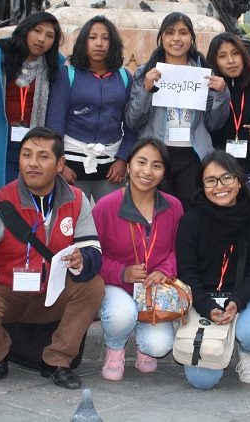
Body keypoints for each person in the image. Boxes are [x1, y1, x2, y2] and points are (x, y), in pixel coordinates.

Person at [0, 127, 104, 389]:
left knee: (93, 286)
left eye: (43, 156)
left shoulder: (76, 199)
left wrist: (84, 258)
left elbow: (93, 250)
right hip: (7, 293)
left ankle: (57, 360)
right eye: (26, 155)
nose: (32, 163)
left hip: (52, 293)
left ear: (60, 164)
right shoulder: (0, 203)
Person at [175, 151, 250, 389]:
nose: (219, 186)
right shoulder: (192, 221)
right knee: (202, 381)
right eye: (211, 180)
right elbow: (187, 273)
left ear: (239, 180)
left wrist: (238, 300)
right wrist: (206, 306)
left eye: (227, 177)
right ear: (202, 186)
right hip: (203, 300)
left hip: (245, 298)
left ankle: (247, 352)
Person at [92, 138, 183, 381]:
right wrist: (122, 273)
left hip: (156, 290)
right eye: (141, 162)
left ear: (163, 173)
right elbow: (91, 254)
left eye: (156, 165)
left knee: (159, 346)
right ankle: (115, 347)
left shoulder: (174, 207)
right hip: (116, 286)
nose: (147, 171)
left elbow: (180, 249)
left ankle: (145, 346)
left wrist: (165, 270)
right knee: (122, 313)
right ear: (129, 166)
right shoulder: (106, 206)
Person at [125, 12, 230, 211]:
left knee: (188, 214)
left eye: (183, 33)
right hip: (156, 154)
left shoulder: (204, 74)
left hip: (193, 155)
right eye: (170, 32)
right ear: (161, 37)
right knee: (156, 212)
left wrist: (222, 94)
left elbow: (214, 123)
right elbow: (133, 121)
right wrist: (146, 90)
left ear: (191, 38)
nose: (176, 38)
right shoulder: (145, 72)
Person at [46, 16, 136, 202]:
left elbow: (131, 123)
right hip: (71, 166)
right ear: (83, 41)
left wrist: (122, 159)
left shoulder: (124, 76)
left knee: (114, 223)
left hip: (111, 167)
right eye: (92, 37)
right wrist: (60, 164)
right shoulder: (67, 74)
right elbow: (55, 123)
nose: (99, 43)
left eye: (105, 38)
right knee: (70, 224)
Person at [0, 12, 64, 188]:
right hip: (1, 141)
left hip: (35, 143)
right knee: (1, 195)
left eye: (49, 36)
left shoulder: (54, 65)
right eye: (37, 31)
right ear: (25, 30)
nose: (42, 39)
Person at [207, 33, 250, 193]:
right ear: (214, 61)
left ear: (243, 55)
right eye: (222, 56)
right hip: (221, 173)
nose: (231, 60)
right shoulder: (209, 93)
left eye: (235, 53)